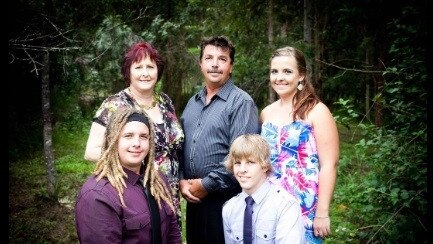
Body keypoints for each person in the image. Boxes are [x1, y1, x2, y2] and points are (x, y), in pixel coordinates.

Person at [84, 41, 184, 224]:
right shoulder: (115, 104)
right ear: (128, 71)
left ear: (158, 71)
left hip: (170, 192)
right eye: (138, 67)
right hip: (137, 190)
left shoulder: (165, 102)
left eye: (150, 67)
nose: (145, 73)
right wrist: (138, 164)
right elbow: (91, 150)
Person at [180, 35, 260, 244]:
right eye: (209, 58)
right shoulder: (192, 103)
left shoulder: (241, 103)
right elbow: (180, 146)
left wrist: (207, 184)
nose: (215, 64)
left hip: (226, 200)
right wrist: (182, 180)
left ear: (231, 66)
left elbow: (242, 157)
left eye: (222, 59)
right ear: (200, 64)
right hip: (194, 200)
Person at [260, 46, 339, 243]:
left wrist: (321, 213)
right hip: (269, 205)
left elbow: (329, 164)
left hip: (304, 207)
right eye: (274, 71)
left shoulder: (317, 111)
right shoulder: (266, 113)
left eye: (287, 71)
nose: (279, 77)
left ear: (301, 75)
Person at [75, 108, 182, 243]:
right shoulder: (97, 195)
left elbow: (173, 234)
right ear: (112, 140)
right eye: (128, 136)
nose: (137, 143)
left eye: (143, 136)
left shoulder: (158, 180)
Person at [222, 134, 306, 243]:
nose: (242, 169)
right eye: (237, 163)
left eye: (250, 162)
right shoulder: (229, 209)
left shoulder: (285, 205)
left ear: (265, 166)